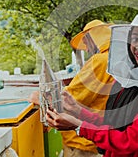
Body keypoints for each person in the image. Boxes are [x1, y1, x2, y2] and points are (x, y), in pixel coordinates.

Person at [46, 10, 138, 157]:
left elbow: (129, 139)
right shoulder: (127, 77)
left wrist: (78, 126)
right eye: (135, 39)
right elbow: (115, 121)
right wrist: (78, 111)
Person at [29, 20, 114, 157]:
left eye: (86, 43)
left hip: (81, 143)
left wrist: (38, 97)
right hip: (97, 135)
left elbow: (67, 100)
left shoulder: (99, 61)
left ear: (93, 38)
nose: (86, 49)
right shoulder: (114, 59)